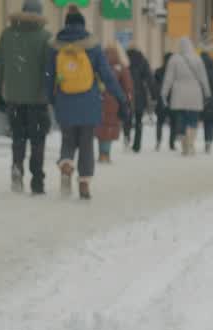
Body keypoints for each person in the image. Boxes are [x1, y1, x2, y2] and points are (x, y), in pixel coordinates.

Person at [44, 8, 127, 199]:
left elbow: (48, 75)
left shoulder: (56, 46)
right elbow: (107, 75)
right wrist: (120, 97)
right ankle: (84, 183)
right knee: (86, 142)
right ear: (83, 24)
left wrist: (50, 97)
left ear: (65, 24)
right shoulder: (92, 45)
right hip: (89, 101)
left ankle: (66, 164)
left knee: (68, 138)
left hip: (65, 100)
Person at [0, 0, 52, 194]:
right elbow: (50, 70)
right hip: (38, 101)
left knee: (18, 139)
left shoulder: (8, 35)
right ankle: (37, 181)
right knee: (37, 141)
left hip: (14, 99)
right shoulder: (46, 37)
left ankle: (17, 169)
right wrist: (51, 94)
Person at [160, 38, 211, 156]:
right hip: (195, 93)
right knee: (193, 119)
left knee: (181, 119)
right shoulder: (197, 59)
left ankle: (184, 146)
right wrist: (207, 92)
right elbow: (203, 78)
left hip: (179, 93)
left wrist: (164, 93)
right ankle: (191, 143)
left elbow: (168, 79)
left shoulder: (174, 59)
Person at [97, 45, 133, 164]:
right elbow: (127, 86)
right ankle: (106, 154)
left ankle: (101, 154)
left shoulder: (98, 66)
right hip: (115, 101)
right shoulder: (121, 68)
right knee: (110, 127)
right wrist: (127, 100)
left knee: (101, 127)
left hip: (99, 100)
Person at [124, 46, 157, 152]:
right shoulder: (142, 60)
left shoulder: (124, 59)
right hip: (139, 93)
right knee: (138, 119)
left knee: (127, 116)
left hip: (126, 92)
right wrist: (154, 94)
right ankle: (137, 145)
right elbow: (149, 78)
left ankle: (127, 136)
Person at [153, 53, 177, 150]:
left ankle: (158, 141)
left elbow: (155, 86)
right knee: (173, 122)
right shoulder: (175, 72)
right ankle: (172, 143)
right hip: (173, 98)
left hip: (161, 99)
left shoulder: (158, 71)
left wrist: (155, 96)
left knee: (160, 122)